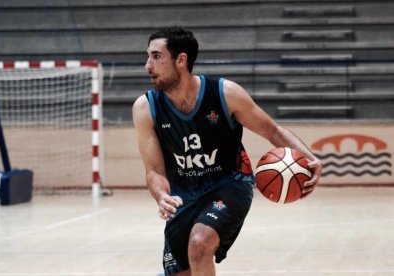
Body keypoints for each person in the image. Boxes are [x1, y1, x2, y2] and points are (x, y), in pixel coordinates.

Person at [132, 26, 322, 276]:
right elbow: (154, 170)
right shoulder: (145, 108)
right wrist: (161, 196)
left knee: (200, 244)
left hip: (229, 183)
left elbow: (272, 130)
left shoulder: (224, 93)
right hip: (184, 196)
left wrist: (309, 158)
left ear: (181, 60)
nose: (148, 65)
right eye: (148, 56)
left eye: (156, 56)